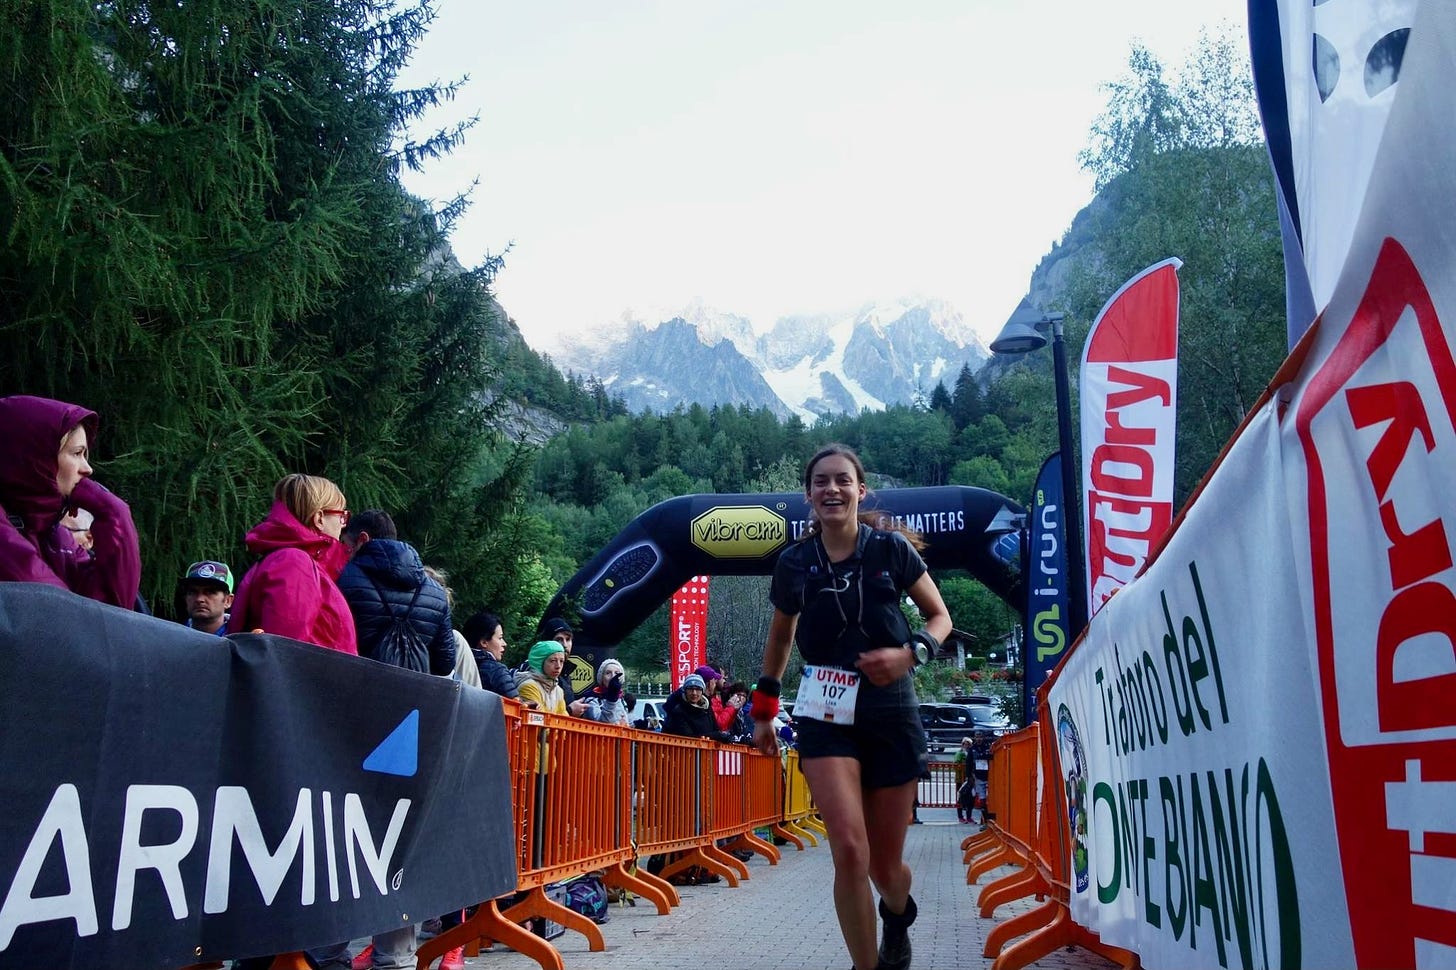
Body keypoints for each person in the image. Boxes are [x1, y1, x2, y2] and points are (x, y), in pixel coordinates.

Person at [751, 443, 951, 970]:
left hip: (891, 713)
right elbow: (780, 635)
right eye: (821, 482)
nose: (832, 490)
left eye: (843, 480)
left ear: (861, 491)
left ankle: (898, 914)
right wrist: (765, 706)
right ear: (808, 494)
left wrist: (910, 655)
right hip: (824, 712)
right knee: (848, 850)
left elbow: (939, 619)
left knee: (886, 870)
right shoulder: (794, 563)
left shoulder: (889, 550)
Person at [0, 394, 141, 608]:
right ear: (37, 460)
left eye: (85, 455)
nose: (88, 468)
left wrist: (113, 512)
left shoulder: (54, 536)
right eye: (76, 453)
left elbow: (112, 614)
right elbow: (67, 618)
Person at [229, 473, 356, 655]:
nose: (343, 524)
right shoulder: (294, 563)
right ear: (319, 518)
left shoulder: (290, 560)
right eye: (341, 516)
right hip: (312, 682)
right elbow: (284, 653)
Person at [334, 510, 454, 675]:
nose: (343, 551)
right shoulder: (437, 594)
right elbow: (445, 664)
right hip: (411, 696)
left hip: (354, 688)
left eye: (344, 544)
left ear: (362, 540)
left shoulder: (344, 578)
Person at [534, 616, 587, 716]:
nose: (565, 645)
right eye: (559, 640)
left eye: (568, 639)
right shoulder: (534, 669)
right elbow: (537, 714)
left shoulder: (566, 672)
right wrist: (570, 711)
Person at [463, 610, 519, 699]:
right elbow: (516, 704)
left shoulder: (457, 664)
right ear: (484, 642)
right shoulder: (497, 670)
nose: (504, 643)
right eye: (500, 638)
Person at [662, 674, 731, 741]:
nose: (694, 693)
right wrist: (716, 736)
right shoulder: (678, 712)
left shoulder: (707, 708)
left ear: (702, 691)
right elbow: (688, 738)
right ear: (685, 691)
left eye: (698, 689)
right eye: (690, 689)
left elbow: (716, 729)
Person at [179, 560, 234, 635]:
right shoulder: (173, 638)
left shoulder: (242, 641)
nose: (199, 599)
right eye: (193, 592)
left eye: (210, 592)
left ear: (228, 600)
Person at [515, 640, 568, 714]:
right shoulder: (528, 686)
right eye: (553, 661)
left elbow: (564, 719)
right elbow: (539, 718)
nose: (558, 666)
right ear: (540, 662)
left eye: (561, 661)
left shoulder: (558, 691)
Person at [578, 658, 629, 724]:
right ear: (601, 678)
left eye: (617, 673)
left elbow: (625, 723)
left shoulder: (621, 700)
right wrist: (611, 700)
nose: (613, 676)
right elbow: (600, 723)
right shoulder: (592, 700)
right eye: (608, 673)